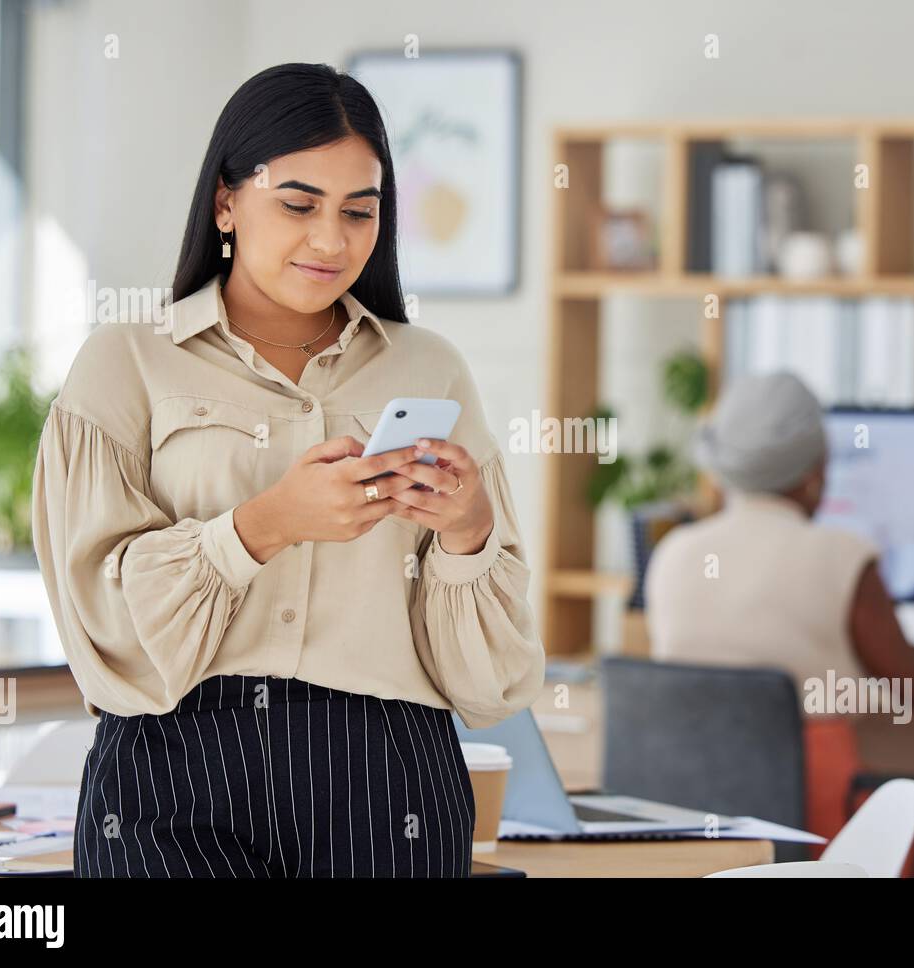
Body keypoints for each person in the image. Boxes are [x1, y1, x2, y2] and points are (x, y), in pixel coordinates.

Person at [30, 63, 545, 878]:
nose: (331, 241)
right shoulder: (125, 362)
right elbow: (101, 631)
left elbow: (492, 684)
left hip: (389, 779)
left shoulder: (430, 369)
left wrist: (467, 534)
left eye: (360, 212)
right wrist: (262, 526)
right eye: (299, 204)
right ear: (226, 201)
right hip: (171, 772)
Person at [643, 371, 914, 872]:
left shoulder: (673, 552)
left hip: (694, 822)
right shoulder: (842, 554)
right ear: (815, 473)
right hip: (820, 820)